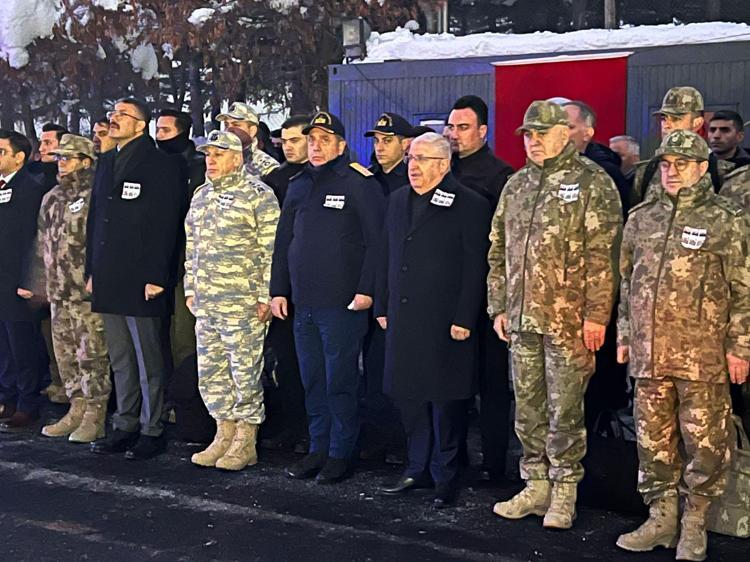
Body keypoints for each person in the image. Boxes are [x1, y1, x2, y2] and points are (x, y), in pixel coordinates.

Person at [615, 130, 750, 561]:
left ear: (702, 167)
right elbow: (626, 282)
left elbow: (743, 289)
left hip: (702, 355)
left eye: (682, 164)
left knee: (705, 444)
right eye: (666, 164)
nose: (672, 172)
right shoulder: (642, 218)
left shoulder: (725, 219)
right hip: (649, 354)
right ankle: (661, 519)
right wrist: (624, 335)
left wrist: (740, 347)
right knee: (652, 441)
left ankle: (695, 522)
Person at [488, 101, 623, 529]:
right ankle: (535, 485)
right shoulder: (517, 185)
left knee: (565, 411)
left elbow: (605, 257)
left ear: (565, 134)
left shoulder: (592, 182)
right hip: (522, 319)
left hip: (569, 323)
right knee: (528, 409)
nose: (533, 142)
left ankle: (565, 492)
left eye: (541, 133)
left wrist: (597, 315)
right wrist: (498, 305)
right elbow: (498, 251)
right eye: (528, 135)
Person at [270, 111, 385, 484]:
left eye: (324, 140)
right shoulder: (299, 183)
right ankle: (318, 448)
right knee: (313, 380)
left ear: (341, 145)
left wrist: (367, 290)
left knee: (340, 382)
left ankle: (340, 452)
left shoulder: (358, 183)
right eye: (312, 140)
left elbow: (377, 242)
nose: (316, 146)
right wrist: (278, 290)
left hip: (342, 303)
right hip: (303, 302)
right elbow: (284, 242)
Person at [376, 133, 490, 507]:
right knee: (409, 396)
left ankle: (446, 474)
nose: (414, 166)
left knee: (445, 401)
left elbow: (475, 267)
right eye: (411, 158)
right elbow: (386, 254)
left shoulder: (469, 204)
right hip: (404, 317)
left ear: (443, 164)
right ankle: (416, 467)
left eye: (422, 159)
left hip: (445, 321)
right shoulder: (397, 200)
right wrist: (382, 305)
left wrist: (465, 317)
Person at [87, 97, 184, 460]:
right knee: (121, 356)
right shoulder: (108, 161)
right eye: (112, 113)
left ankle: (152, 427)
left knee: (148, 358)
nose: (114, 119)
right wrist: (92, 270)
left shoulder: (160, 163)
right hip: (109, 275)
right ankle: (125, 423)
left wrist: (158, 275)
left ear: (141, 125)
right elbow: (96, 220)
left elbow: (165, 224)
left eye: (122, 115)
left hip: (142, 277)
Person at [185, 131, 279, 471]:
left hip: (243, 304)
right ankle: (223, 432)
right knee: (211, 372)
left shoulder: (258, 195)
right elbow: (192, 246)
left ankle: (245, 439)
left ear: (237, 158)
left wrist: (265, 296)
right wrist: (190, 289)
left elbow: (271, 250)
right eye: (208, 154)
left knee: (244, 372)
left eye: (219, 154)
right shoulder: (201, 195)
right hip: (207, 303)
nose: (211, 160)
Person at [19, 134, 111, 442]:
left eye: (67, 158)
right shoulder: (52, 197)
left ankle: (95, 413)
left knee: (92, 354)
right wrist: (36, 284)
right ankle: (76, 406)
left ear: (85, 161)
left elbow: (102, 242)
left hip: (85, 293)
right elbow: (40, 245)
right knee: (65, 354)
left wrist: (97, 277)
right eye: (59, 158)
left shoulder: (96, 194)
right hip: (58, 293)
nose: (61, 163)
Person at [447, 94, 514, 484]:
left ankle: (494, 463)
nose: (454, 134)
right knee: (453, 380)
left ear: (483, 131)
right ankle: (453, 456)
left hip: (486, 293)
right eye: (451, 127)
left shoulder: (499, 175)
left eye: (463, 127)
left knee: (491, 384)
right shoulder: (444, 169)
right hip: (449, 292)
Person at [261, 115, 310, 450]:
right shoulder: (274, 179)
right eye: (285, 141)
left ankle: (313, 431)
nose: (288, 147)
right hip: (279, 284)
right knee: (286, 361)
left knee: (313, 364)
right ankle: (293, 426)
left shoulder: (323, 176)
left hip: (310, 284)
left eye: (296, 140)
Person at [0, 129, 47, 431]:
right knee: (4, 345)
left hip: (19, 281)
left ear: (19, 158)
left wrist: (31, 279)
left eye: (1, 151)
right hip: (1, 280)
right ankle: (8, 397)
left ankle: (28, 403)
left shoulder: (31, 189)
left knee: (23, 345)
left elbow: (35, 240)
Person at [632, 87, 732, 205]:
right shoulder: (646, 172)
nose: (666, 125)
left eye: (676, 118)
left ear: (697, 123)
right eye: (664, 118)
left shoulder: (722, 173)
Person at [563, 101, 631, 213]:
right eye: (555, 127)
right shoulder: (540, 168)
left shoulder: (605, 173)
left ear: (587, 133)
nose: (560, 133)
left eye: (569, 127)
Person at [216, 102, 279, 177]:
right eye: (226, 125)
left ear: (252, 131)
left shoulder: (267, 167)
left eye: (236, 125)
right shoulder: (215, 161)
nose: (229, 129)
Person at [365, 112, 411, 196]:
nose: (379, 148)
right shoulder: (367, 177)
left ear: (404, 144)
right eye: (376, 141)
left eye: (387, 141)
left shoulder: (413, 178)